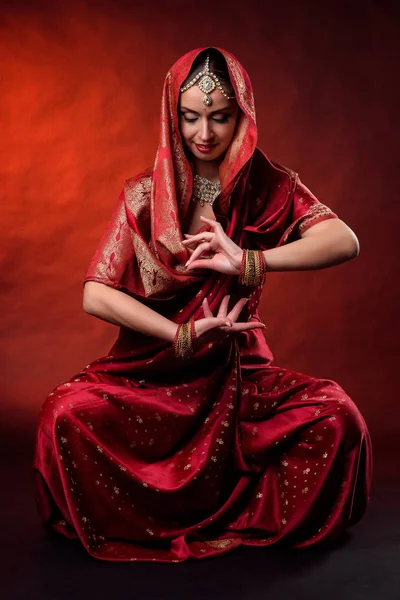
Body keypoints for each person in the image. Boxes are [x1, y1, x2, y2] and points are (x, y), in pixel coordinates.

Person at [33, 47, 373, 563]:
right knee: (63, 415)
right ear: (174, 116)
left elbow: (343, 240)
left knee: (338, 417)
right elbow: (95, 292)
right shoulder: (145, 196)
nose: (205, 134)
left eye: (221, 117)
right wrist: (181, 335)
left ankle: (240, 517)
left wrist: (249, 261)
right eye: (191, 117)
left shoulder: (267, 187)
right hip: (152, 377)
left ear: (244, 116)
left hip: (240, 380)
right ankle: (149, 522)